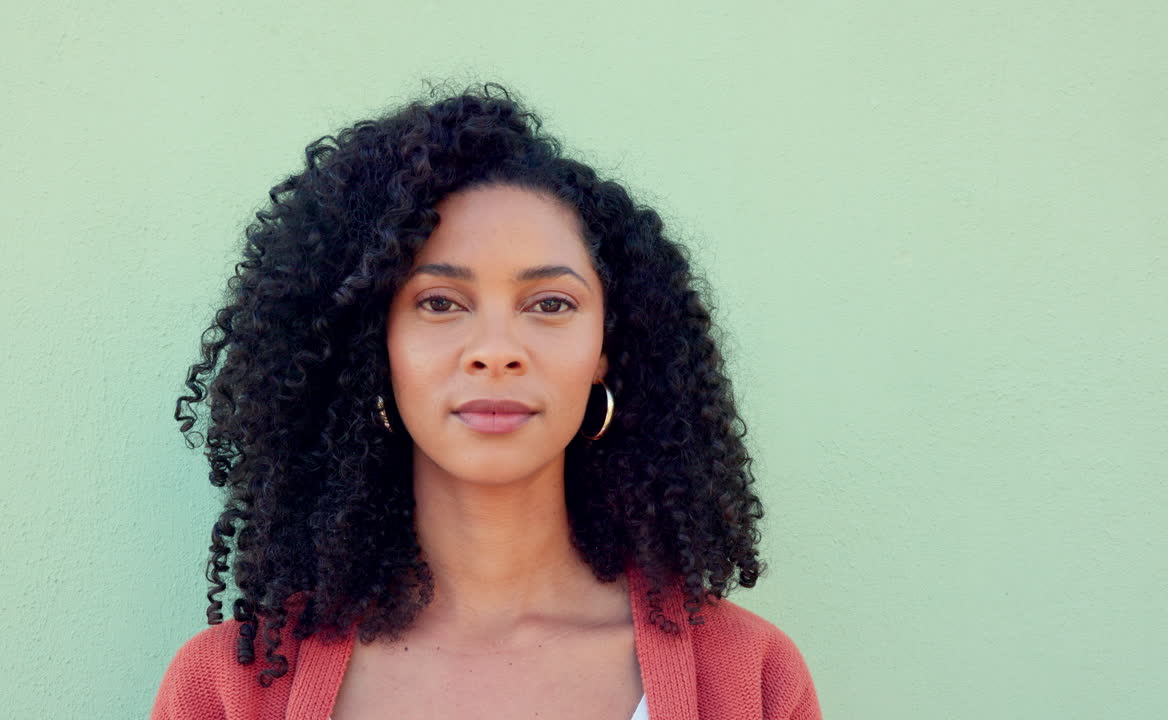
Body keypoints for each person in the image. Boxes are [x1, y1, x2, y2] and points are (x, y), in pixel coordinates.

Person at [151, 82, 821, 720]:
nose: (496, 350)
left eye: (550, 303)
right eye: (440, 302)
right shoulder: (229, 690)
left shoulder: (748, 678)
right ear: (373, 349)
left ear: (605, 349)